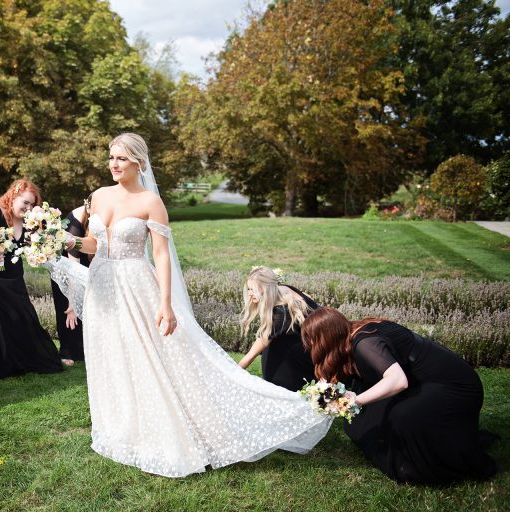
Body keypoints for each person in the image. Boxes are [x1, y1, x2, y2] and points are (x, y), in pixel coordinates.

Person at [49, 133, 331, 478]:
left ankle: (175, 426)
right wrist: (70, 241)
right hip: (102, 286)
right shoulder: (99, 196)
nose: (114, 164)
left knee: (150, 356)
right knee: (112, 354)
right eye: (111, 157)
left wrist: (166, 303)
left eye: (121, 158)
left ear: (139, 162)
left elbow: (161, 255)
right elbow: (94, 244)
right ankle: (123, 427)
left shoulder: (150, 202)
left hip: (136, 286)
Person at [301, 307, 497, 485]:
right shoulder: (351, 334)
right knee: (360, 420)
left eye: (311, 341)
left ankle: (422, 467)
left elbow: (398, 381)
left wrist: (354, 401)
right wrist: (322, 393)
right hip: (424, 383)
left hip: (453, 386)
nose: (308, 346)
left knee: (401, 416)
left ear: (325, 338)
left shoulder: (365, 343)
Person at [0, 179, 63, 378]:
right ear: (13, 196)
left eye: (32, 204)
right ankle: (0, 364)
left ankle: (30, 359)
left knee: (21, 313)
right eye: (25, 202)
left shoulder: (29, 221)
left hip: (11, 274)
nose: (28, 208)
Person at [239, 266, 319, 391]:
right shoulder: (284, 289)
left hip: (295, 368)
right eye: (248, 289)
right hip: (303, 352)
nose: (249, 293)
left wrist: (232, 374)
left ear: (265, 289)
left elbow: (251, 355)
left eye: (253, 289)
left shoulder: (280, 315)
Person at [50, 195, 93, 366]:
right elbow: (73, 268)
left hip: (85, 263)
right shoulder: (75, 223)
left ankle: (88, 347)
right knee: (68, 310)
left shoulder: (98, 216)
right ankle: (68, 350)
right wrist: (72, 302)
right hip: (67, 268)